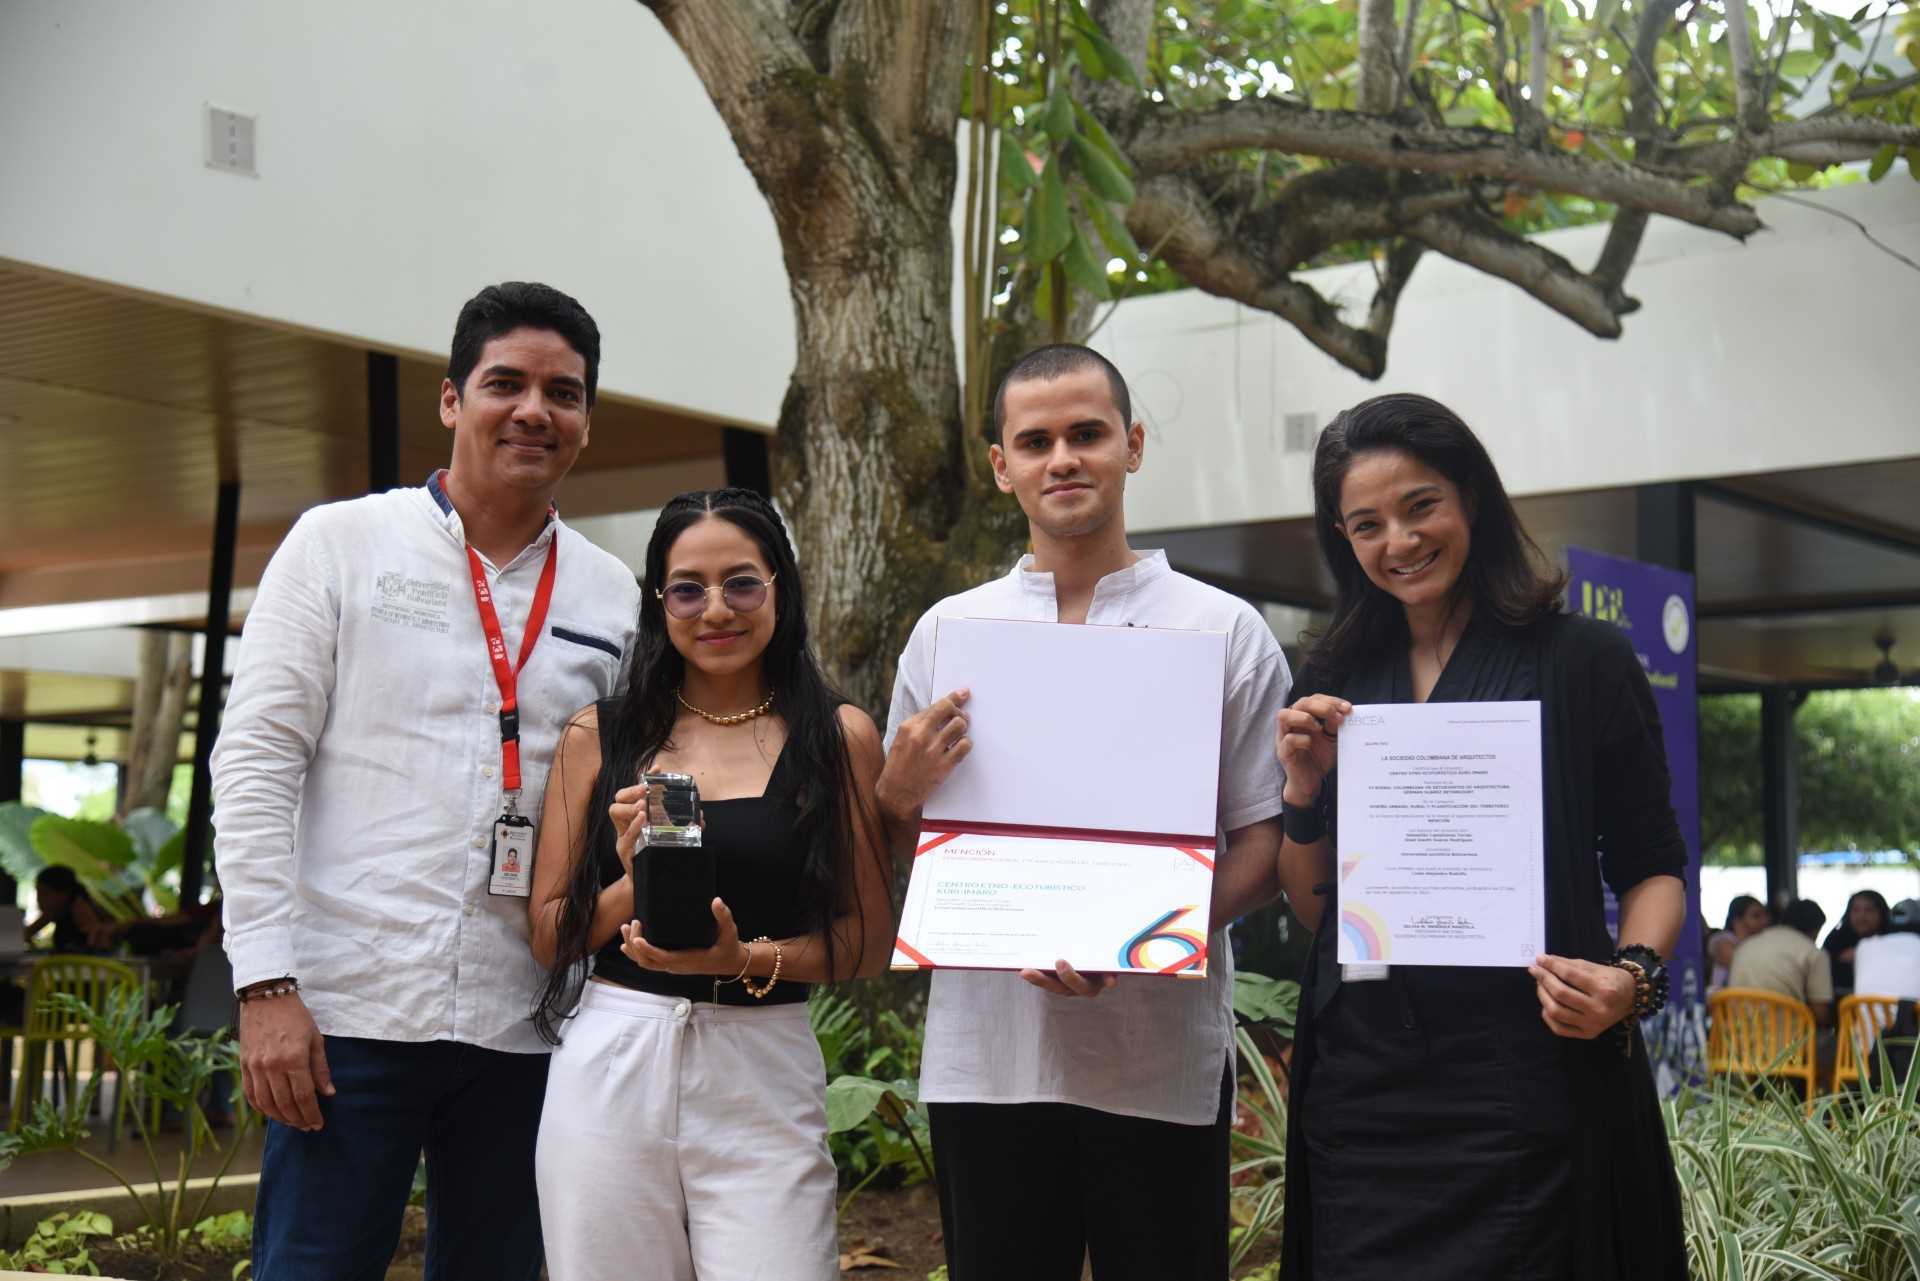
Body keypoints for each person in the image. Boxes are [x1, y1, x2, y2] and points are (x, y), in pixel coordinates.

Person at [212, 282, 640, 1280]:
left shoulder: (611, 593)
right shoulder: (338, 547)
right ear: (452, 400)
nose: (535, 410)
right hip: (346, 1012)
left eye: (563, 392)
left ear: (583, 421)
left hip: (530, 1019)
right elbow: (256, 762)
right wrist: (266, 983)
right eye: (507, 383)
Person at [877, 344, 1290, 1280]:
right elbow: (910, 841)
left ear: (1132, 445)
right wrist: (896, 792)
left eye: (1087, 433)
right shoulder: (949, 631)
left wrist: (1148, 934)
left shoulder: (1222, 629)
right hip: (988, 1057)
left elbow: (1264, 838)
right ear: (1001, 465)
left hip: (1160, 1058)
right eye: (1036, 440)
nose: (1062, 457)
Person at [1273, 393, 1689, 1281]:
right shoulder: (1339, 673)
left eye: (1421, 506)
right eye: (1366, 523)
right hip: (1367, 1094)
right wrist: (1304, 792)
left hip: (1532, 1074)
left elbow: (1653, 866)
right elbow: (1317, 911)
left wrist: (1632, 980)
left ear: (1472, 499)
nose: (1400, 541)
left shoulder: (1583, 660)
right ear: (1343, 539)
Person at [529, 487, 893, 1281]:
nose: (716, 608)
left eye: (742, 582)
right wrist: (633, 881)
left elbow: (865, 942)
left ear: (779, 588)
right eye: (688, 587)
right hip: (614, 1060)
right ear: (659, 602)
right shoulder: (599, 736)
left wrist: (741, 957)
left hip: (762, 1065)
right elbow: (548, 932)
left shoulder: (839, 737)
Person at [1730, 899, 1835, 1026]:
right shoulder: (1813, 952)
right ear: (1815, 930)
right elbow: (1821, 1014)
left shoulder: (1745, 946)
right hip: (1786, 1041)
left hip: (1736, 1039)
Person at [25, 866, 112, 953]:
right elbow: (25, 933)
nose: (39, 899)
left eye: (45, 894)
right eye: (38, 893)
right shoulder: (57, 912)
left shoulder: (82, 912)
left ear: (64, 894)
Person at [1822, 889, 1891, 997]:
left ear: (1881, 914)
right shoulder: (1836, 939)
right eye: (1855, 910)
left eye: (1869, 910)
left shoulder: (1893, 939)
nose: (1861, 916)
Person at [1708, 894, 1770, 992]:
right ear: (1737, 921)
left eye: (1765, 915)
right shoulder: (1723, 941)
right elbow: (1742, 968)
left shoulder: (1757, 942)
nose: (1764, 921)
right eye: (1756, 916)